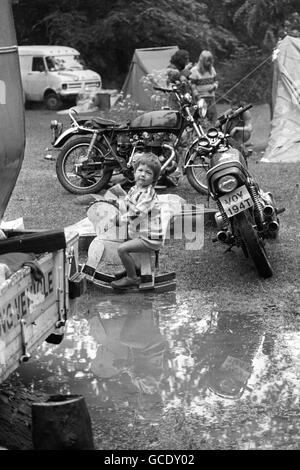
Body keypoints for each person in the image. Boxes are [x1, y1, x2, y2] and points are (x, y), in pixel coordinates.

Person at [110, 153, 163, 290]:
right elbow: (126, 204)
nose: (143, 175)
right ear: (134, 172)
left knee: (122, 249)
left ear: (154, 178)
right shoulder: (134, 189)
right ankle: (131, 268)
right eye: (140, 170)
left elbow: (136, 214)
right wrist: (116, 203)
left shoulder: (147, 195)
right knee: (125, 238)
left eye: (148, 173)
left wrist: (120, 220)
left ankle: (132, 277)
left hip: (150, 238)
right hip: (140, 233)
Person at [189, 50, 218, 125]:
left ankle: (212, 132)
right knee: (201, 118)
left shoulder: (212, 69)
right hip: (200, 98)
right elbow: (192, 86)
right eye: (207, 61)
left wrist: (214, 87)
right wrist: (197, 96)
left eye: (210, 61)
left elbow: (216, 81)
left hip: (211, 97)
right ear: (202, 61)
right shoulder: (194, 70)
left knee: (213, 116)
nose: (209, 63)